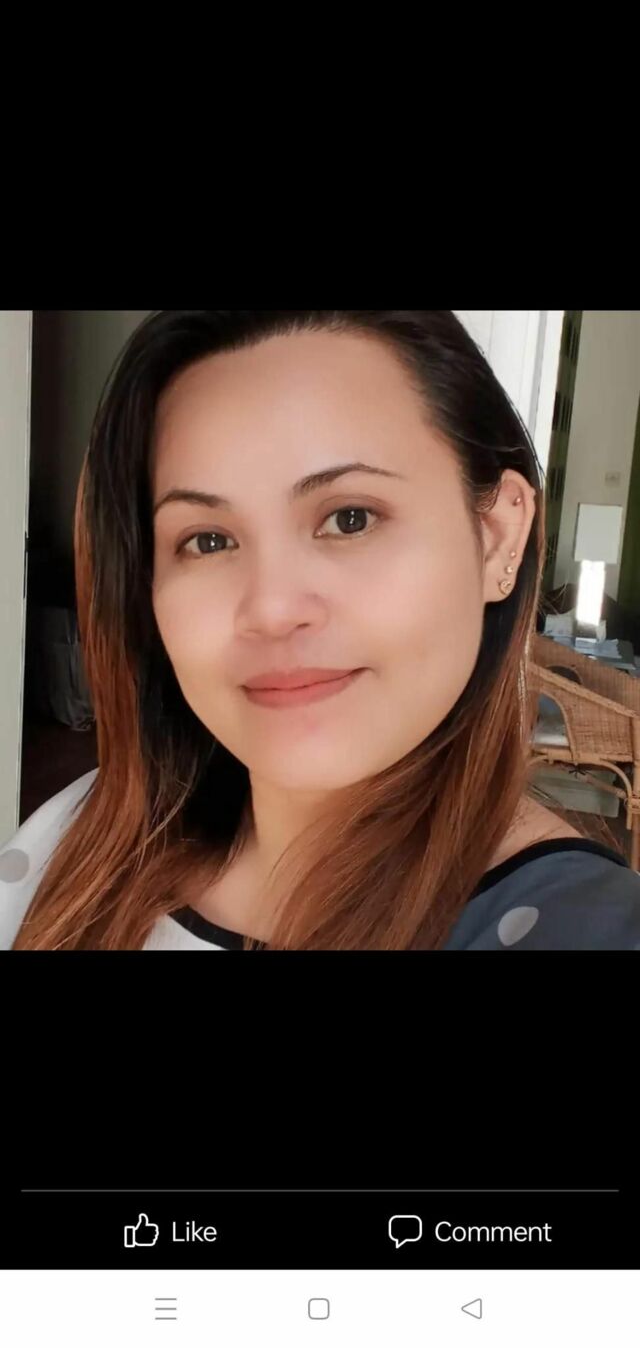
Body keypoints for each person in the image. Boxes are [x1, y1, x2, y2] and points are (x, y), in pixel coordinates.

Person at [2, 309, 640, 950]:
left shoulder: (585, 929)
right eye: (208, 540)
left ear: (496, 536)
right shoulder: (71, 845)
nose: (273, 609)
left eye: (350, 518)